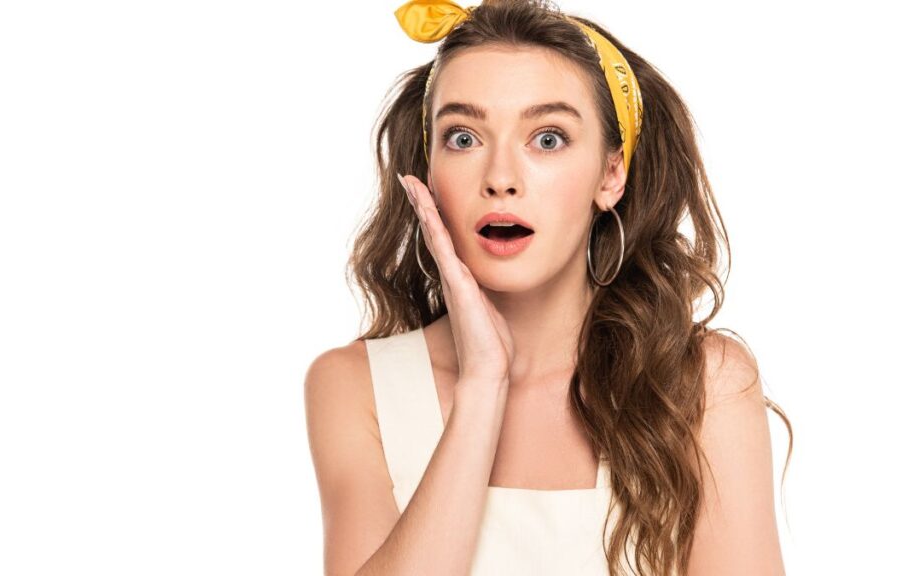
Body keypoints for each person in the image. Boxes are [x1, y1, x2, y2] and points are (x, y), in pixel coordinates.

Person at [305, 0, 793, 574]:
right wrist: (483, 385)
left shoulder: (703, 385)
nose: (501, 180)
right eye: (463, 138)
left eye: (548, 139)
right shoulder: (354, 386)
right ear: (429, 172)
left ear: (611, 174)